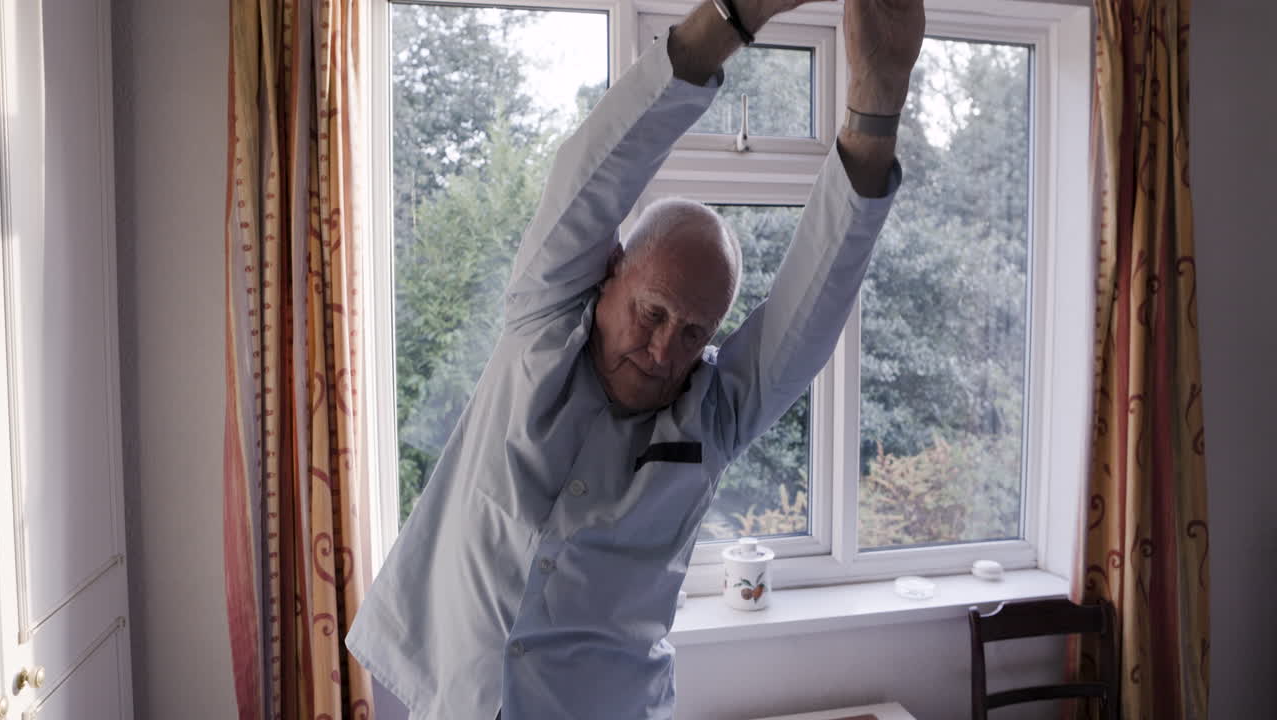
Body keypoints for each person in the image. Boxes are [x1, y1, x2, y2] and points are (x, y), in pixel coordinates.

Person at [347, 0, 925, 717]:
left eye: (692, 332)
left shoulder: (710, 416)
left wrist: (877, 102)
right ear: (610, 270)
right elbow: (593, 173)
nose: (663, 351)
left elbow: (814, 309)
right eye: (653, 313)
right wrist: (734, 17)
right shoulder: (542, 318)